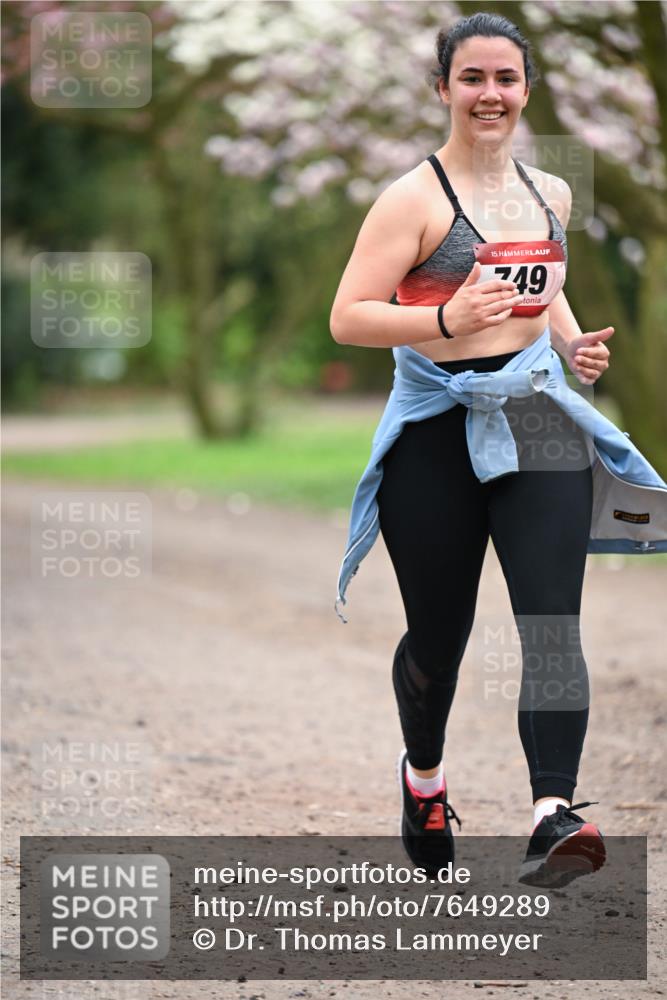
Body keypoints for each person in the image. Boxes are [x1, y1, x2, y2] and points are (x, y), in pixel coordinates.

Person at [329, 12, 667, 888]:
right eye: (472, 78)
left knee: (551, 622)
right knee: (438, 638)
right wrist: (444, 319)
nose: (490, 95)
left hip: (539, 425)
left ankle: (552, 813)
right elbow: (349, 315)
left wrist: (566, 342)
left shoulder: (547, 192)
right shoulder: (411, 198)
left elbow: (543, 286)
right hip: (436, 432)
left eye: (506, 79)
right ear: (442, 89)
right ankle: (424, 780)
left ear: (526, 88)